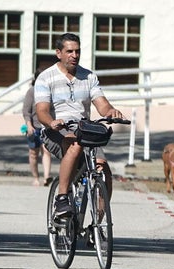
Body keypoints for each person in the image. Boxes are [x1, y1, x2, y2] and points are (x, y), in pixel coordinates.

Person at [33, 33, 125, 221]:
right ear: (58, 53)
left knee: (104, 170)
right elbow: (41, 111)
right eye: (69, 51)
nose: (74, 55)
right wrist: (51, 122)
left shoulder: (89, 76)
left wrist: (111, 111)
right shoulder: (45, 78)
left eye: (77, 51)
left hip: (84, 130)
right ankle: (61, 198)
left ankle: (97, 225)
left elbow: (102, 105)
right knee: (75, 146)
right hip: (56, 131)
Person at [22, 76, 53, 187]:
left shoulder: (51, 90)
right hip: (34, 127)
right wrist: (29, 125)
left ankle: (46, 177)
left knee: (46, 151)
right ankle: (35, 177)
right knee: (33, 153)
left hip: (46, 127)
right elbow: (26, 111)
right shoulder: (32, 91)